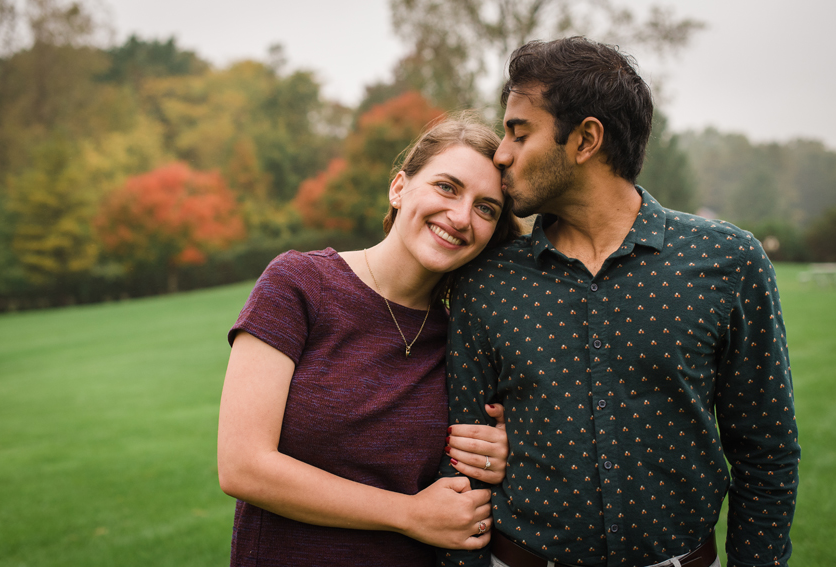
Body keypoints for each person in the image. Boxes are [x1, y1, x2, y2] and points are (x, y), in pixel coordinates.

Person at [437, 37, 800, 567]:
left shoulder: (728, 261)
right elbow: (462, 467)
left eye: (520, 131)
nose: (501, 153)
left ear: (585, 139)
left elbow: (766, 454)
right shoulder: (487, 279)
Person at [217, 114, 523, 567]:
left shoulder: (465, 334)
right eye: (446, 187)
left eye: (485, 208)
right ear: (399, 188)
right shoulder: (299, 284)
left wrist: (498, 457)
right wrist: (409, 514)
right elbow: (243, 466)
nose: (460, 217)